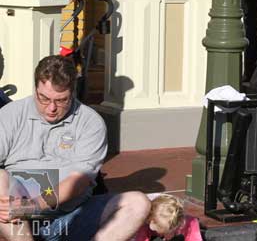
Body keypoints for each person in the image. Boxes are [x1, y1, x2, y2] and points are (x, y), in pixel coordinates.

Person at [0, 55, 150, 240]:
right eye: (44, 98)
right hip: (19, 221)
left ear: (73, 92)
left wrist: (33, 204)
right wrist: (19, 207)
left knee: (138, 203)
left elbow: (78, 182)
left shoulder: (90, 122)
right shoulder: (10, 115)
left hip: (72, 215)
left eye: (61, 100)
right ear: (35, 89)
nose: (52, 108)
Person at [134, 194, 202, 241]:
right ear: (151, 221)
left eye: (168, 232)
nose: (165, 235)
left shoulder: (190, 223)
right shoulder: (144, 224)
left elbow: (195, 238)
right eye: (163, 232)